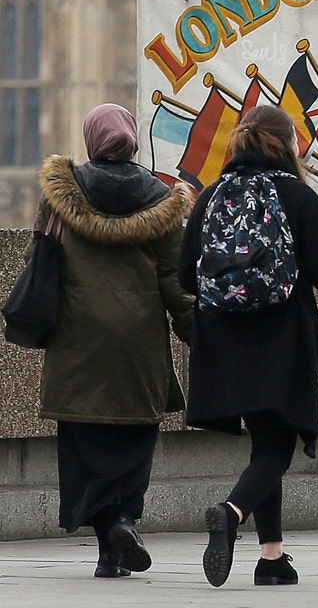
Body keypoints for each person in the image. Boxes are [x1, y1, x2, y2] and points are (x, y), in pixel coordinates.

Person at [180, 105, 318, 588]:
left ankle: (272, 558)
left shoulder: (211, 197)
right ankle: (231, 514)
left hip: (222, 338)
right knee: (277, 445)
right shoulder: (297, 196)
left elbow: (185, 273)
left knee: (264, 441)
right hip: (281, 338)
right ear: (287, 145)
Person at [35, 104, 194, 578]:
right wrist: (198, 333)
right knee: (132, 436)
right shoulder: (162, 200)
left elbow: (39, 259)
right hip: (138, 343)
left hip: (77, 341)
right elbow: (175, 281)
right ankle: (124, 519)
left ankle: (107, 545)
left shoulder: (60, 194)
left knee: (85, 441)